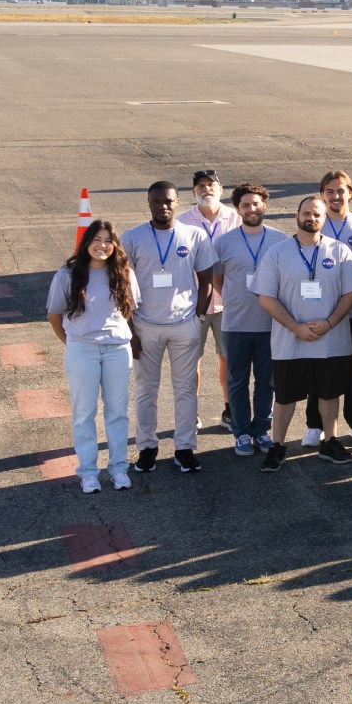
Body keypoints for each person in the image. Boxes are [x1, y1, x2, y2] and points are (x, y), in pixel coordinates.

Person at [255, 196, 352, 469]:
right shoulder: (277, 253)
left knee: (329, 393)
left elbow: (351, 293)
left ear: (324, 218)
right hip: (290, 342)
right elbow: (266, 296)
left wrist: (329, 323)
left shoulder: (340, 252)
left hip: (331, 341)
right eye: (306, 213)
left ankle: (330, 441)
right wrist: (295, 327)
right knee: (286, 396)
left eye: (317, 214)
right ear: (296, 215)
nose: (311, 218)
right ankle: (278, 446)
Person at [126, 181, 217, 474]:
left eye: (168, 201)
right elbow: (122, 288)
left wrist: (199, 317)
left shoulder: (194, 235)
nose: (163, 206)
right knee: (145, 390)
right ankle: (147, 448)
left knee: (186, 390)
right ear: (148, 203)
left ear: (178, 202)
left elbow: (206, 281)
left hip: (184, 325)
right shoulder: (132, 238)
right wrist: (130, 329)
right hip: (145, 326)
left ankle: (185, 447)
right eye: (156, 202)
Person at [48, 220, 139, 491]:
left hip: (117, 349)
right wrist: (73, 342)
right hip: (81, 349)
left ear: (115, 245)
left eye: (108, 240)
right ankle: (88, 472)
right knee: (83, 412)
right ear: (86, 242)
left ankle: (119, 469)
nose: (102, 245)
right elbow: (54, 315)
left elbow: (128, 310)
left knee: (117, 411)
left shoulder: (124, 272)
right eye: (96, 239)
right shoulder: (67, 274)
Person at [208, 183, 282, 456]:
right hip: (236, 324)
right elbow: (218, 279)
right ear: (238, 209)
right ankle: (240, 433)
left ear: (265, 205)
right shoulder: (224, 242)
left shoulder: (280, 240)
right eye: (245, 205)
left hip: (270, 324)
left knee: (267, 381)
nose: (252, 209)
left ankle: (261, 430)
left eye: (256, 203)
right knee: (237, 381)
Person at [312, 171, 352, 448]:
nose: (335, 196)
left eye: (340, 190)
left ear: (350, 192)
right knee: (318, 365)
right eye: (329, 191)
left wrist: (332, 265)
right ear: (322, 195)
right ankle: (314, 425)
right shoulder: (317, 224)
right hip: (320, 310)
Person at [179, 169, 239, 428]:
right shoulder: (182, 222)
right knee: (192, 358)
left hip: (229, 302)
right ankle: (190, 411)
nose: (206, 189)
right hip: (194, 303)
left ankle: (230, 408)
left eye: (211, 185)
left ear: (221, 189)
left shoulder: (236, 218)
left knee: (229, 357)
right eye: (201, 186)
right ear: (194, 192)